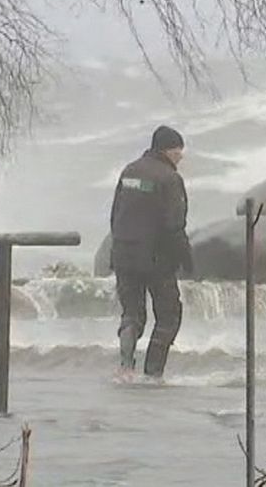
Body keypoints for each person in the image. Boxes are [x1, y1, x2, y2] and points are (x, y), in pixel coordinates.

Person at [109, 125, 193, 379]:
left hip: (123, 255)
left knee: (132, 315)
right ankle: (153, 374)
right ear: (168, 150)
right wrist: (187, 261)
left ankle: (125, 367)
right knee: (169, 317)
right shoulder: (170, 179)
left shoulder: (129, 172)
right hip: (157, 259)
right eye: (179, 150)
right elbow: (174, 225)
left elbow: (115, 215)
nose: (181, 156)